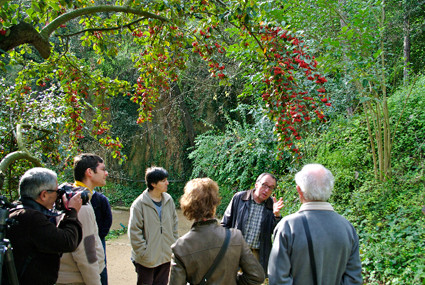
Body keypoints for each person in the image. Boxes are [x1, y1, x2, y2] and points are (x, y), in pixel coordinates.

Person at [268, 164, 363, 285]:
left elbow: (277, 280)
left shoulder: (287, 226)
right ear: (330, 189)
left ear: (299, 190)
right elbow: (354, 279)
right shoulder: (347, 227)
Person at [168, 178, 265, 285]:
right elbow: (257, 276)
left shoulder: (180, 247)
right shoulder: (235, 237)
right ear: (214, 204)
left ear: (188, 207)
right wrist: (232, 279)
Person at [6, 167, 83, 285]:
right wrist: (72, 211)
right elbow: (67, 241)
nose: (58, 196)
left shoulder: (14, 211)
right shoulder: (31, 218)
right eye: (57, 192)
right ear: (44, 195)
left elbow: (51, 240)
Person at [56, 153, 107, 285]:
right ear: (89, 172)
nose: (106, 173)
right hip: (78, 279)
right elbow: (86, 252)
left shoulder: (69, 196)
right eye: (103, 169)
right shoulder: (80, 205)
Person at [221, 173, 284, 274]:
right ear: (256, 184)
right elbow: (224, 224)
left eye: (271, 188)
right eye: (264, 185)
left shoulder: (272, 205)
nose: (267, 190)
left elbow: (277, 233)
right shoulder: (240, 198)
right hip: (236, 250)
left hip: (256, 254)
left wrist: (276, 215)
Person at [128, 166, 178, 285]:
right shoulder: (139, 204)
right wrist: (144, 253)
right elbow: (134, 232)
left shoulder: (168, 200)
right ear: (153, 184)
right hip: (147, 259)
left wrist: (173, 244)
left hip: (165, 255)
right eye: (163, 180)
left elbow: (174, 224)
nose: (167, 183)